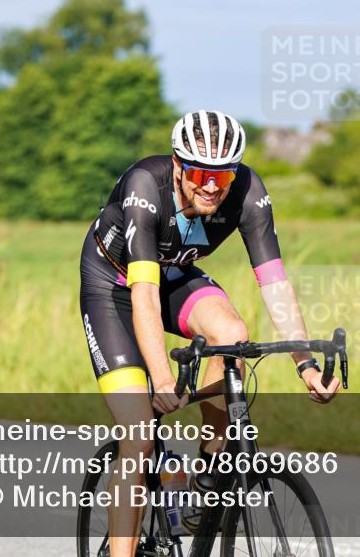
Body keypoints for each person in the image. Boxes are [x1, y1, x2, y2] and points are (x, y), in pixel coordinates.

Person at [79, 109, 341, 556]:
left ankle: (208, 482)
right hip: (115, 287)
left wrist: (307, 364)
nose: (210, 185)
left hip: (175, 275)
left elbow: (274, 282)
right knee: (139, 434)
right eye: (199, 172)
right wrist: (160, 378)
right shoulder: (146, 185)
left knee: (232, 335)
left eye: (222, 176)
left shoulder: (248, 191)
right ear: (179, 166)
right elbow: (143, 291)